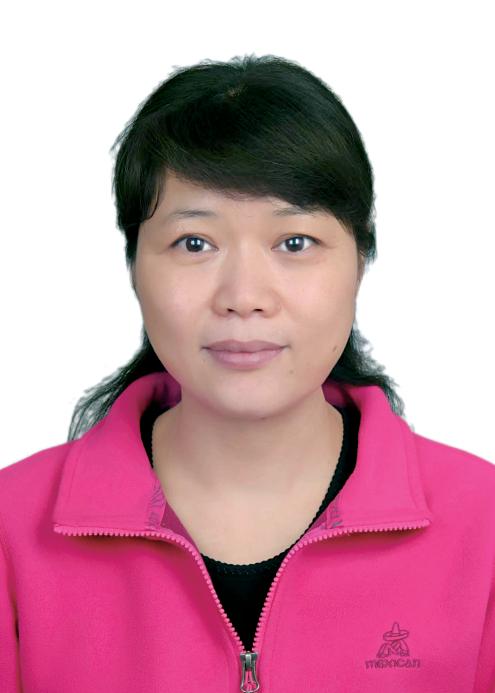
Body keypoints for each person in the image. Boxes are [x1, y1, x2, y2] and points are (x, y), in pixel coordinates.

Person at [1, 54, 494, 693]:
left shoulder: (483, 524)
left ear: (361, 259)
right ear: (133, 266)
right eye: (194, 244)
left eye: (295, 243)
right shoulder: (12, 530)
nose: (244, 296)